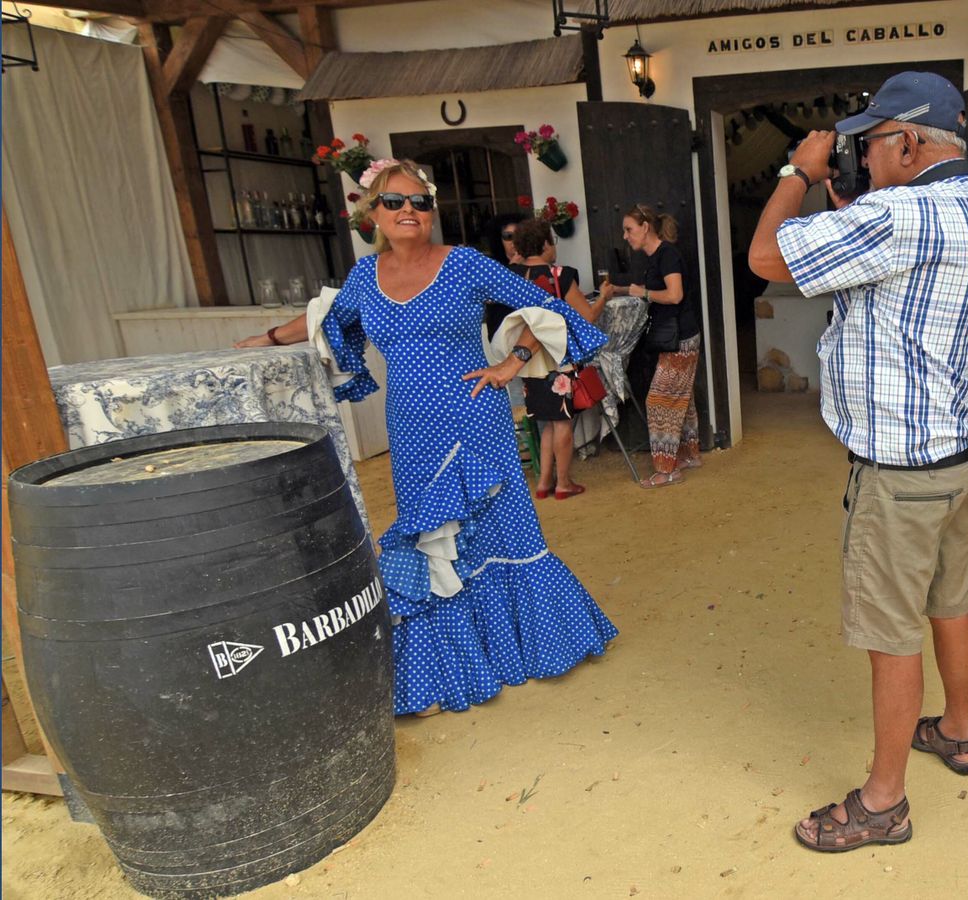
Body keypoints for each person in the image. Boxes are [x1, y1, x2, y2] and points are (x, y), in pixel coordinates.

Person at [233, 159, 618, 716]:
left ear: (431, 211)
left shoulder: (463, 264)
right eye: (394, 202)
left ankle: (534, 645)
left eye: (418, 201)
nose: (408, 210)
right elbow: (325, 321)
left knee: (503, 527)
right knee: (429, 537)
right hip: (412, 428)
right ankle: (455, 663)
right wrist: (267, 337)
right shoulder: (365, 278)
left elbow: (549, 307)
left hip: (474, 416)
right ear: (374, 216)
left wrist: (512, 363)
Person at [747, 71, 968, 852]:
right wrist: (850, 209)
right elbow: (902, 274)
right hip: (964, 458)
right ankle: (958, 735)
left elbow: (767, 257)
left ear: (907, 142)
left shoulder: (899, 213)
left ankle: (882, 802)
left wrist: (797, 171)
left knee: (890, 631)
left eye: (871, 144)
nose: (864, 159)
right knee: (950, 600)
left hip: (901, 474)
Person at [485, 217, 612, 500]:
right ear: (544, 244)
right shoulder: (559, 274)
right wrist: (603, 296)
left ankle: (544, 482)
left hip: (526, 361)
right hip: (557, 359)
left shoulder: (511, 275)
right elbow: (587, 316)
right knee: (563, 423)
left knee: (545, 422)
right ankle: (563, 482)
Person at [621, 203, 702, 488]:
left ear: (645, 227)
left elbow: (675, 295)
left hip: (680, 338)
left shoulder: (666, 255)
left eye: (629, 229)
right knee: (682, 397)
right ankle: (688, 455)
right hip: (680, 336)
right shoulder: (658, 256)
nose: (625, 236)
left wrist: (643, 293)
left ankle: (667, 470)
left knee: (658, 401)